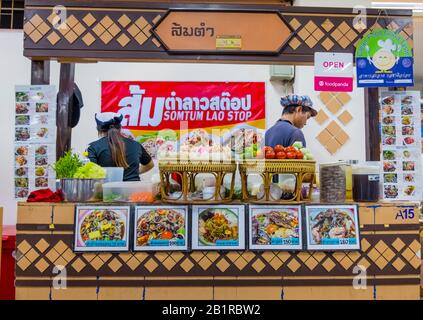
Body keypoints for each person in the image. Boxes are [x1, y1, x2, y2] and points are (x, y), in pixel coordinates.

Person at [87, 112, 154, 181]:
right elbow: (150, 165)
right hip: (134, 191)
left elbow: (90, 173)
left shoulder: (93, 147)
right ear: (120, 127)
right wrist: (134, 173)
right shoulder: (136, 145)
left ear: (99, 129)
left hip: (107, 191)